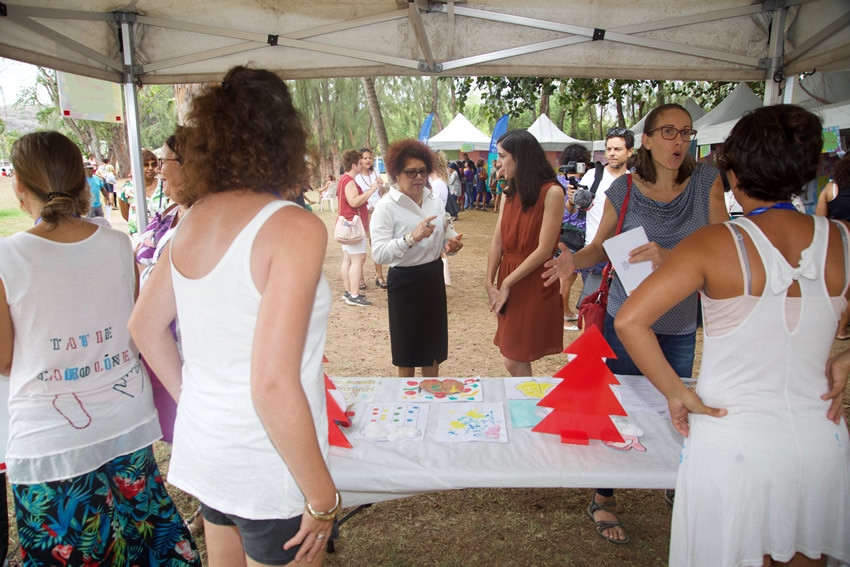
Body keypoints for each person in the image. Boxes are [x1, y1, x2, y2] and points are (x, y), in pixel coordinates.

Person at [615, 104, 850, 567]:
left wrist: (677, 392)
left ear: (735, 174)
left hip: (732, 438)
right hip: (820, 441)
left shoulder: (716, 241)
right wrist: (843, 362)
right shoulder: (841, 238)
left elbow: (629, 320)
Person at [129, 65, 339, 566]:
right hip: (267, 462)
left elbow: (144, 325)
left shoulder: (193, 219)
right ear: (286, 136)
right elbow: (270, 383)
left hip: (212, 450)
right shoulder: (293, 227)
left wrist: (199, 398)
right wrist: (322, 496)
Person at [0, 131, 199, 565]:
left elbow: (3, 358)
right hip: (123, 420)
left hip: (51, 440)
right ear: (81, 182)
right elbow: (131, 327)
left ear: (19, 186)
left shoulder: (7, 257)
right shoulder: (114, 244)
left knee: (75, 550)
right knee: (144, 543)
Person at [543, 103, 726, 544]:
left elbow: (724, 246)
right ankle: (603, 496)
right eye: (668, 131)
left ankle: (675, 480)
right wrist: (572, 261)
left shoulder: (707, 181)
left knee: (676, 402)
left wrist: (674, 258)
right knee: (617, 406)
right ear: (646, 139)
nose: (679, 141)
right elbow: (600, 248)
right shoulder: (623, 189)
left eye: (685, 132)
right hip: (626, 318)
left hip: (680, 319)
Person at [371, 139, 463, 377]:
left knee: (433, 348)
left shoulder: (433, 199)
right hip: (404, 282)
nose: (418, 177)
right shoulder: (386, 207)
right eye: (411, 172)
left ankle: (431, 398)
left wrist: (450, 243)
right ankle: (407, 401)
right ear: (396, 174)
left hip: (432, 276)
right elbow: (379, 253)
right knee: (407, 350)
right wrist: (411, 237)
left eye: (423, 171)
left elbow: (444, 231)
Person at [486, 129, 566, 377]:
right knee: (512, 355)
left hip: (531, 280)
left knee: (514, 358)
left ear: (520, 157)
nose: (498, 162)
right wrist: (489, 281)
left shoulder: (552, 192)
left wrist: (508, 281)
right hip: (509, 277)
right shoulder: (510, 189)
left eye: (502, 155)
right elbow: (497, 241)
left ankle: (529, 408)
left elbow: (544, 250)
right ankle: (528, 404)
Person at [575, 127, 635, 305]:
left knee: (619, 310)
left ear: (630, 151)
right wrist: (572, 200)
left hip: (624, 257)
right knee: (592, 309)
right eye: (608, 149)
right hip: (595, 254)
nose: (612, 154)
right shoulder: (592, 176)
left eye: (617, 149)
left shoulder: (635, 182)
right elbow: (574, 211)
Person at [557, 143, 593, 327]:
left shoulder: (559, 180)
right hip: (573, 234)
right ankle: (563, 313)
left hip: (565, 234)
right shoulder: (575, 183)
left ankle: (565, 312)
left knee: (567, 277)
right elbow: (567, 212)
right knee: (567, 278)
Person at [815, 153, 850, 338]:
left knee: (837, 286)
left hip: (837, 242)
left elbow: (819, 220)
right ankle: (842, 329)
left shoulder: (831, 188)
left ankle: (834, 325)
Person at [339, 148, 377, 306]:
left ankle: (349, 292)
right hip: (353, 225)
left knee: (348, 258)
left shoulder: (344, 179)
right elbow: (354, 201)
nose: (363, 165)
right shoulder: (349, 181)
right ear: (354, 165)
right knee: (358, 259)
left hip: (347, 224)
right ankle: (354, 295)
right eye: (361, 162)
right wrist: (371, 190)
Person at [355, 147, 387, 290]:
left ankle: (379, 276)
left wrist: (380, 186)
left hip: (377, 212)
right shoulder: (355, 177)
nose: (368, 160)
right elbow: (356, 197)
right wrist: (371, 191)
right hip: (363, 213)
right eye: (365, 158)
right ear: (359, 160)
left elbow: (381, 193)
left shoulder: (375, 173)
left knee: (376, 243)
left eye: (370, 157)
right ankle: (359, 277)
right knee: (360, 245)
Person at [119, 148, 169, 239]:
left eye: (153, 165)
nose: (150, 168)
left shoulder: (164, 185)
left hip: (161, 235)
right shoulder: (127, 189)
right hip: (137, 237)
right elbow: (125, 214)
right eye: (146, 165)